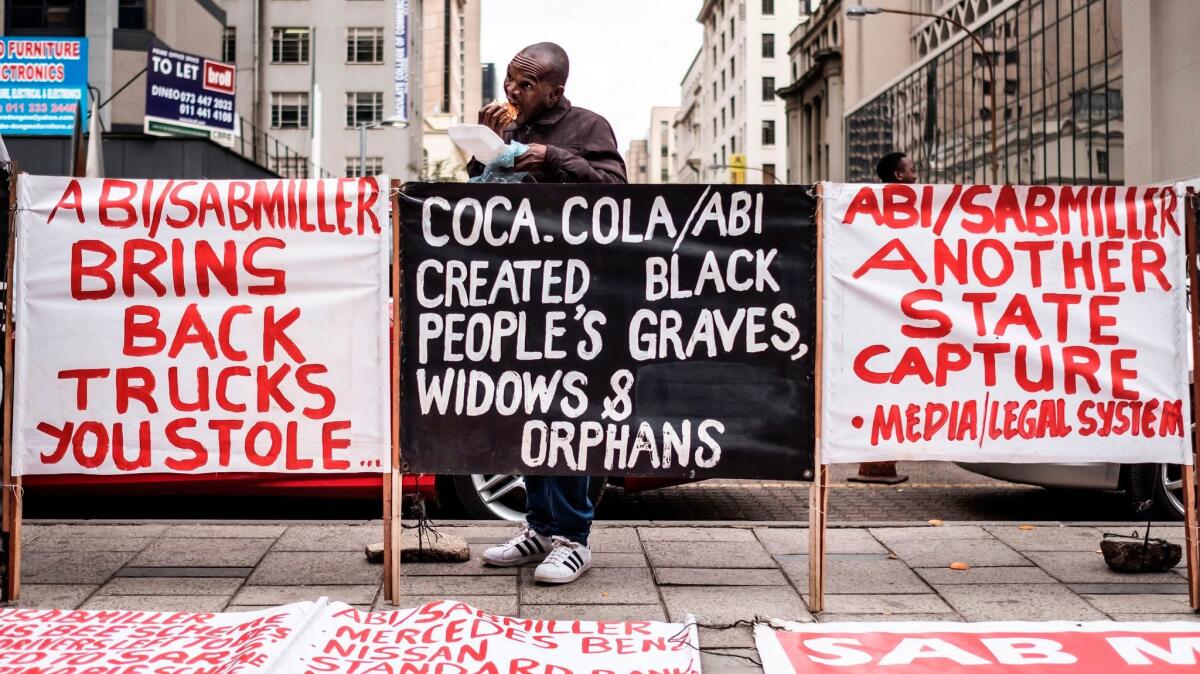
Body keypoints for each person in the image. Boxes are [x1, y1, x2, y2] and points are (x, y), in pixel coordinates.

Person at [474, 42, 627, 584]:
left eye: (524, 85)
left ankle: (572, 537)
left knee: (568, 412)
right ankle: (538, 526)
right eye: (510, 83)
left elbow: (615, 191)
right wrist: (488, 145)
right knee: (529, 410)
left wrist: (551, 157)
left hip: (576, 294)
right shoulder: (511, 129)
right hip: (519, 289)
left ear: (554, 90)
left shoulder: (588, 126)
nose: (511, 93)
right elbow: (482, 195)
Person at [850, 152, 917, 486]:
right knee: (886, 385)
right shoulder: (901, 207)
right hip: (891, 314)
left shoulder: (878, 206)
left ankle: (877, 464)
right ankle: (876, 465)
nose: (916, 173)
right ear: (898, 175)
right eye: (911, 169)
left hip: (888, 311)